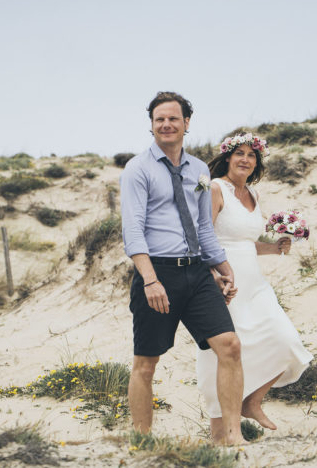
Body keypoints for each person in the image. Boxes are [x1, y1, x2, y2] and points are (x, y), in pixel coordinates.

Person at [119, 92, 246, 445]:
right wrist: (150, 280)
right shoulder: (138, 169)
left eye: (173, 118)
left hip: (197, 273)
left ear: (186, 123)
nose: (166, 125)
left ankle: (232, 437)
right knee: (146, 364)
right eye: (159, 119)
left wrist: (223, 267)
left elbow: (203, 226)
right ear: (151, 125)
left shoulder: (200, 170)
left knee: (230, 346)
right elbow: (133, 230)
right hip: (157, 274)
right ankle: (143, 442)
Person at [197, 133, 313, 441]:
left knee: (286, 340)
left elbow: (246, 243)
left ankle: (252, 401)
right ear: (228, 157)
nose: (245, 159)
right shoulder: (215, 188)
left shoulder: (253, 194)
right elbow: (202, 237)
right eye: (240, 153)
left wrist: (275, 248)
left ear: (256, 163)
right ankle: (221, 433)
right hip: (224, 284)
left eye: (251, 155)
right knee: (221, 355)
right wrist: (213, 275)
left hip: (256, 285)